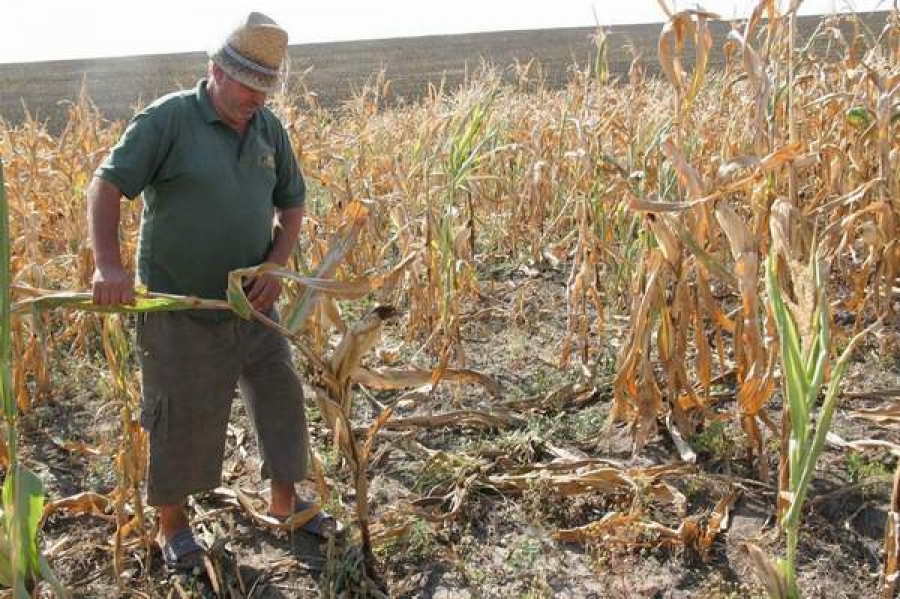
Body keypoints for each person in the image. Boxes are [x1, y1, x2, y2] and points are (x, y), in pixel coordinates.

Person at [87, 12, 338, 571]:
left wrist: (275, 266)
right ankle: (171, 526)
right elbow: (106, 185)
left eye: (266, 89)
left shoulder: (269, 129)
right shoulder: (169, 120)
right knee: (179, 415)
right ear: (217, 71)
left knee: (280, 394)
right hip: (181, 306)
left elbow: (291, 204)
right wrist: (109, 266)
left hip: (252, 305)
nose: (258, 99)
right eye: (250, 87)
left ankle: (284, 503)